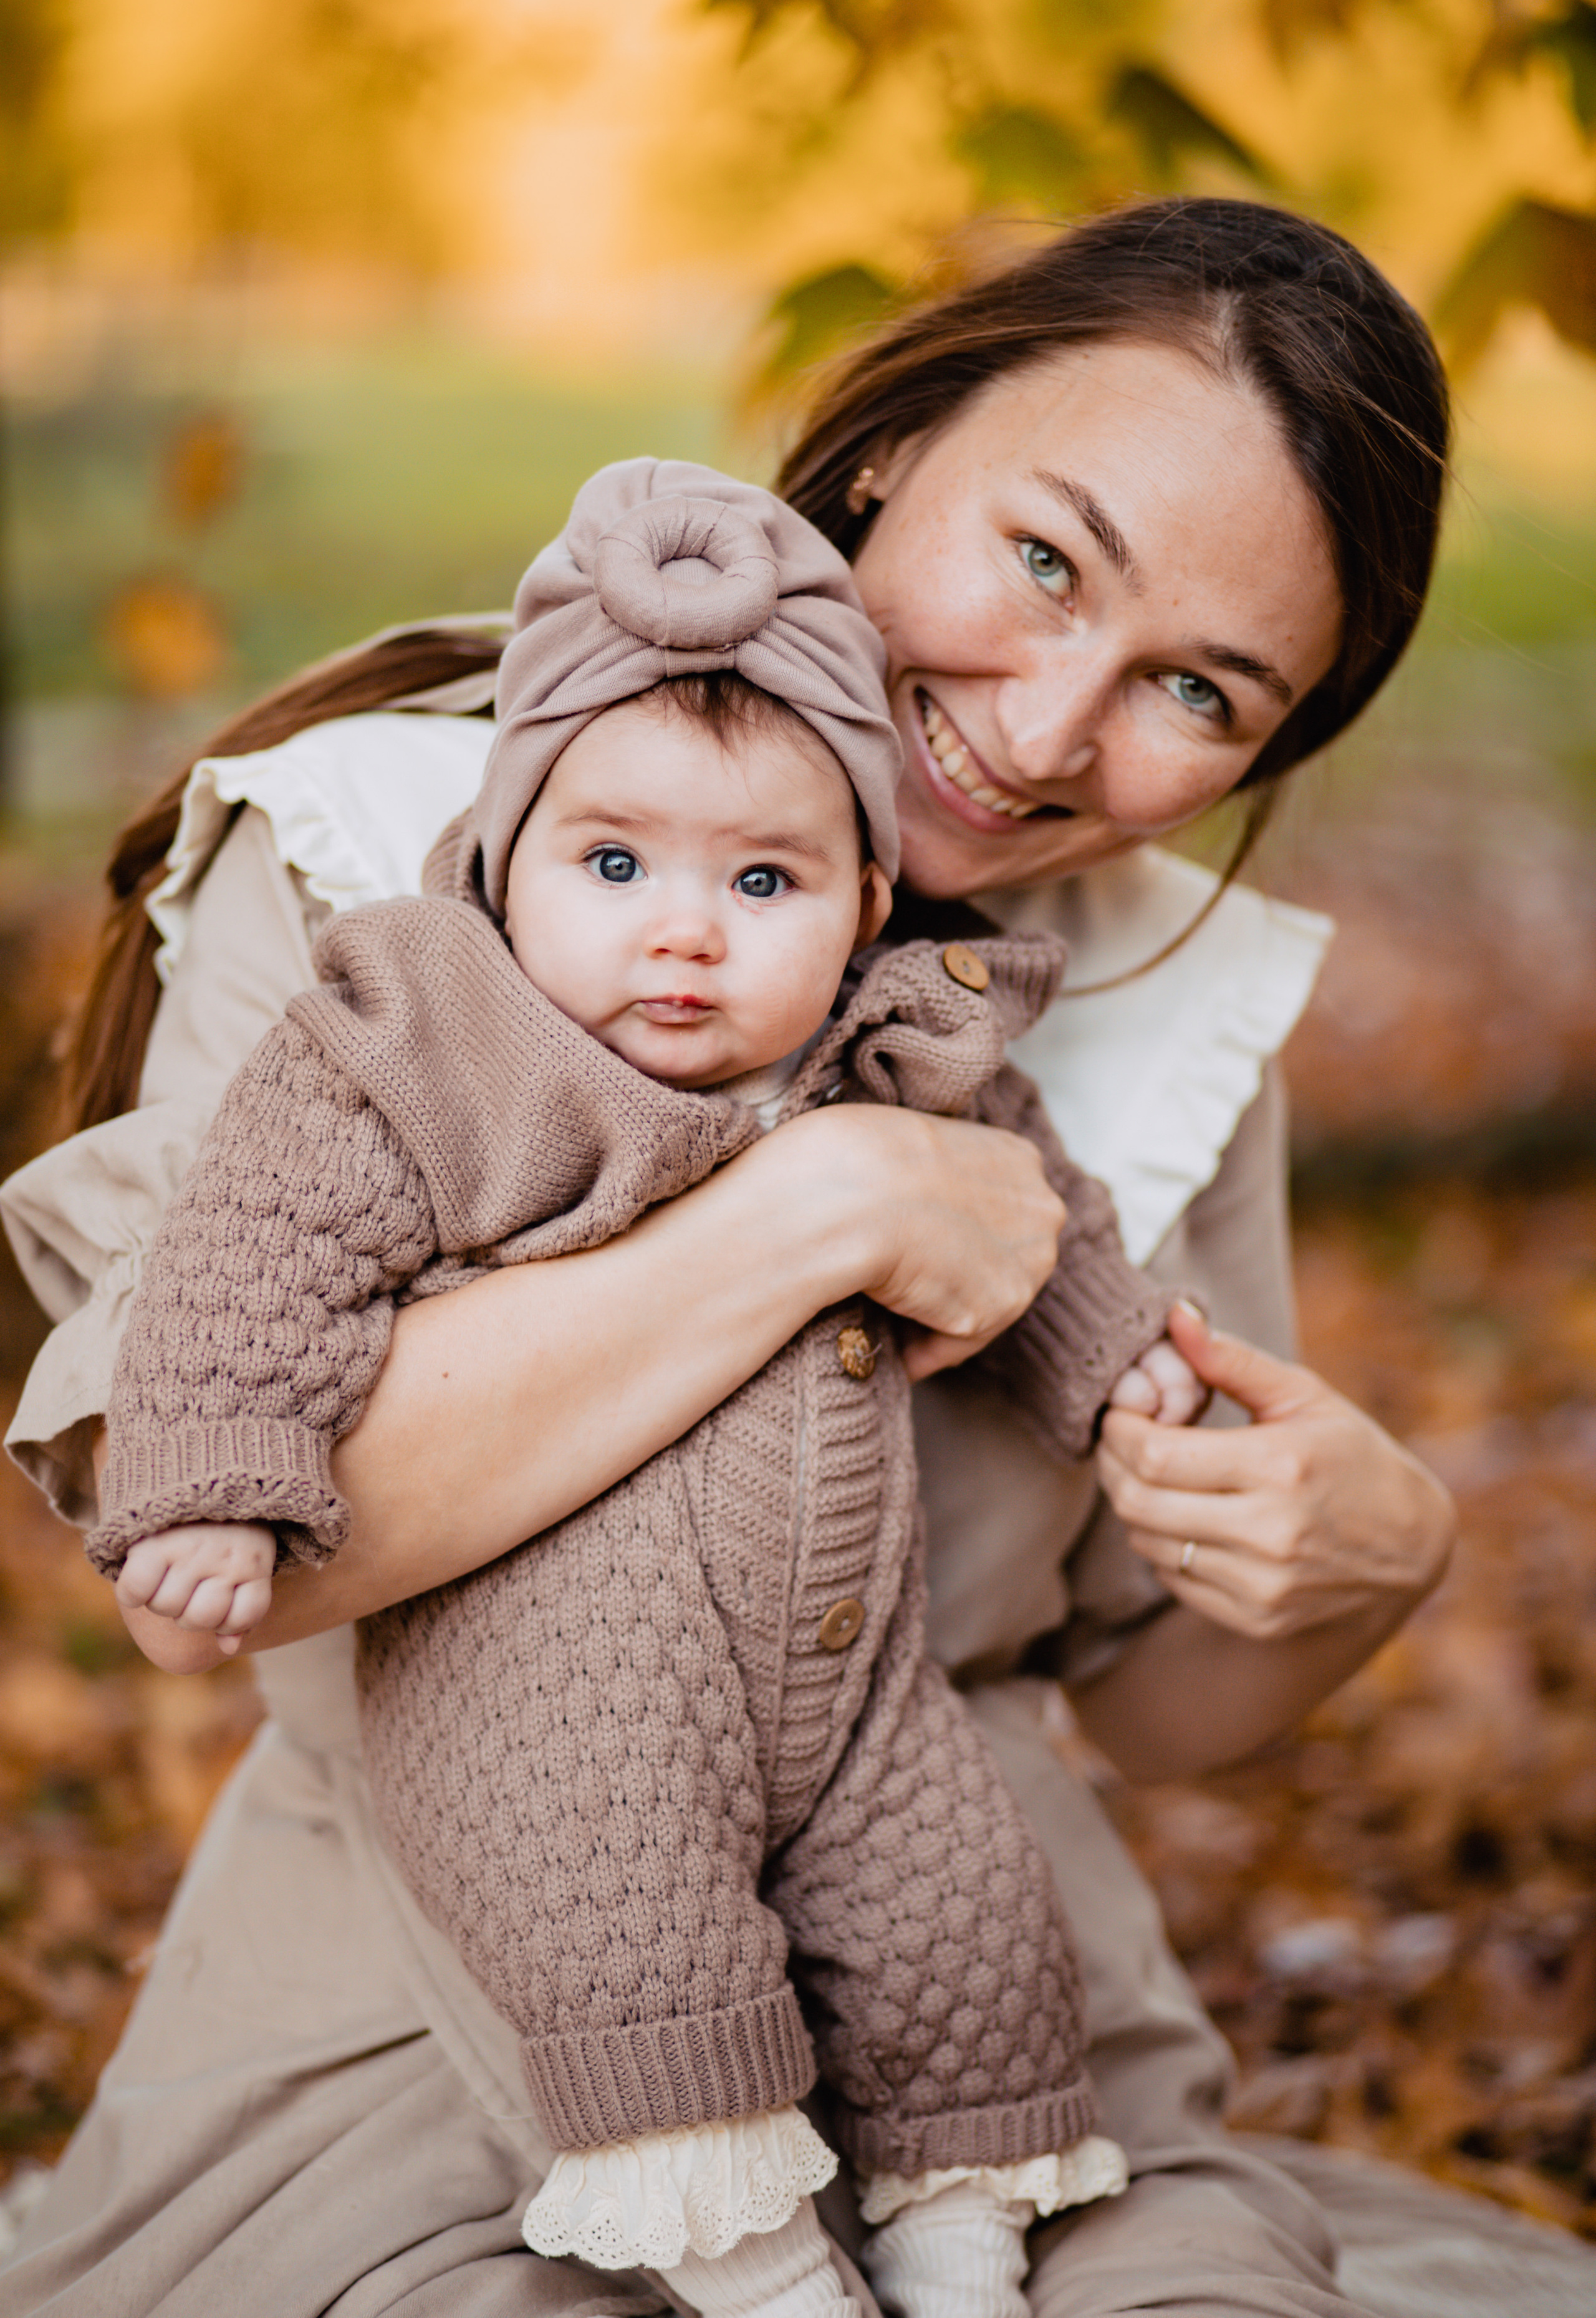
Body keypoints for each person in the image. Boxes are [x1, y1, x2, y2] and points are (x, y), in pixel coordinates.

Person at [1, 199, 1464, 2316]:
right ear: (891, 451)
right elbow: (223, 1573)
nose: (1054, 732)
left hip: (1007, 2034)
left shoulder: (1159, 998)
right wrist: (826, 1209)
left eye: (1198, 692)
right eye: (1046, 560)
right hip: (426, 2015)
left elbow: (1146, 1705)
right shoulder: (375, 868)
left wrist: (1368, 1566)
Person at [95, 458, 1195, 2318]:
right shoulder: (437, 1040)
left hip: (851, 1676)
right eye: (614, 866)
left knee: (965, 1918)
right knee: (639, 1955)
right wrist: (212, 1476)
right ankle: (765, 2271)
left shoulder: (895, 1049)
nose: (683, 932)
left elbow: (1049, 1227)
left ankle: (959, 2230)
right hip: (553, 1697)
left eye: (761, 880)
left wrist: (1124, 1379)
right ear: (504, 864)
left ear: (860, 907)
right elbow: (260, 1244)